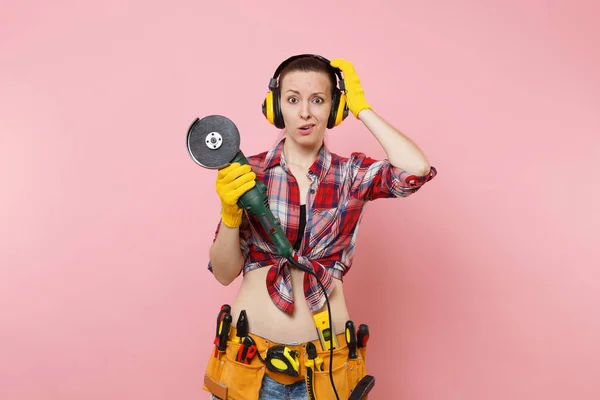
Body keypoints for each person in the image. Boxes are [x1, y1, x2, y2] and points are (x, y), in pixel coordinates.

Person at [202, 54, 437, 400]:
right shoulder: (247, 173)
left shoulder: (352, 175)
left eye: (318, 100)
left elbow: (415, 171)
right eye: (293, 100)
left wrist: (363, 108)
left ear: (335, 108)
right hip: (247, 365)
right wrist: (230, 213)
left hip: (326, 372)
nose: (305, 113)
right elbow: (224, 273)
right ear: (276, 108)